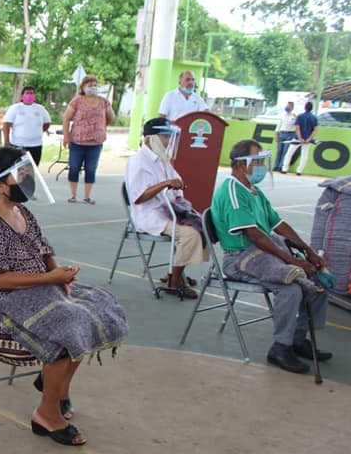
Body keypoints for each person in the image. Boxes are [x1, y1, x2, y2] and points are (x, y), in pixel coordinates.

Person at [0, 147, 127, 446]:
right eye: (19, 175)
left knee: (99, 304)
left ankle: (56, 388)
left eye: (26, 173)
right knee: (66, 326)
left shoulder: (20, 211)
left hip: (37, 290)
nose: (26, 179)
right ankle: (46, 415)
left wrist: (59, 274)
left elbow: (44, 249)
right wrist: (51, 278)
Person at [210, 139, 331, 374]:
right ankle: (280, 347)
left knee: (317, 280)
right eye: (257, 161)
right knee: (291, 289)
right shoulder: (233, 191)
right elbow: (254, 235)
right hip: (240, 259)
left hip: (263, 252)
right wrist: (292, 261)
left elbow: (278, 224)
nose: (261, 166)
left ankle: (297, 338)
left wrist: (307, 250)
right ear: (242, 165)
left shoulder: (254, 191)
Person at [125, 119, 209, 298]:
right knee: (190, 234)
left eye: (169, 137)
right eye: (164, 136)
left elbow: (177, 183)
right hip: (150, 215)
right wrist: (165, 184)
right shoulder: (138, 161)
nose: (168, 141)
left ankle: (175, 271)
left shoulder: (163, 160)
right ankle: (175, 281)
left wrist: (179, 186)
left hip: (169, 210)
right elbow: (138, 197)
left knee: (204, 226)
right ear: (150, 138)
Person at [61, 75, 114, 205]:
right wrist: (66, 136)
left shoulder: (103, 101)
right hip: (78, 141)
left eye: (95, 85)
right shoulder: (77, 101)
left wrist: (102, 125)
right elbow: (66, 118)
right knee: (74, 167)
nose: (93, 88)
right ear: (83, 87)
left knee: (91, 168)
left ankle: (87, 196)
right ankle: (73, 195)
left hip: (95, 142)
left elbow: (111, 116)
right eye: (89, 85)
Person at [2, 85, 51, 165]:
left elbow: (47, 122)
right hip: (18, 145)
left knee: (33, 167)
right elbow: (6, 124)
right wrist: (6, 142)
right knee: (18, 167)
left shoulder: (40, 108)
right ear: (22, 96)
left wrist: (37, 131)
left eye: (32, 93)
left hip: (36, 145)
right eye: (27, 93)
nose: (29, 95)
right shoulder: (15, 108)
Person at [281, 101, 318, 176]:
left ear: (305, 107)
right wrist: (309, 138)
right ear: (312, 108)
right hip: (308, 140)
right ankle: (299, 171)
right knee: (304, 155)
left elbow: (297, 128)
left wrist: (300, 138)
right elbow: (315, 130)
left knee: (289, 153)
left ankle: (284, 169)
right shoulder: (314, 118)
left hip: (297, 138)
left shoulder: (300, 116)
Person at [273, 102, 297, 172]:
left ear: (292, 108)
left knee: (285, 151)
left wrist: (295, 118)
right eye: (287, 106)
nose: (287, 107)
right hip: (282, 133)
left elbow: (296, 126)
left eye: (289, 106)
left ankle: (281, 166)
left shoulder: (294, 116)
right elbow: (279, 125)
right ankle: (276, 165)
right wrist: (276, 134)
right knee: (279, 150)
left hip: (290, 134)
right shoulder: (282, 115)